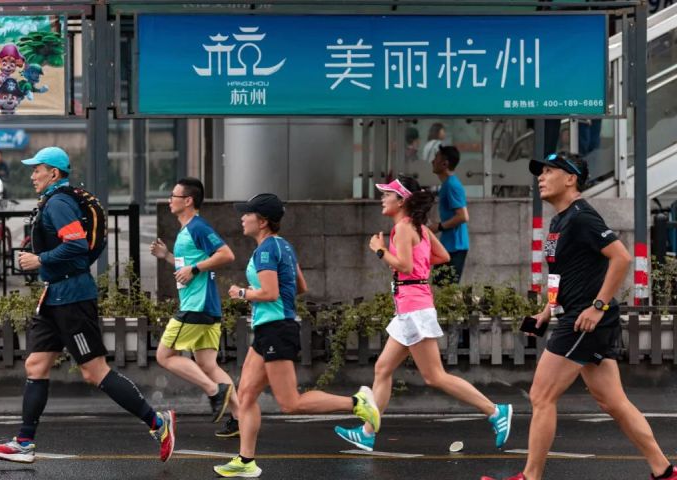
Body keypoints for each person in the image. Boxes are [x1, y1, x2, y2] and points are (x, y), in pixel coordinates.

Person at [481, 152, 677, 480]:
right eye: (540, 172)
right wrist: (546, 311)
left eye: (549, 171)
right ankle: (665, 471)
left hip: (584, 321)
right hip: (578, 317)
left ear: (571, 178)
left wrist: (597, 306)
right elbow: (561, 275)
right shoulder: (559, 221)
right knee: (613, 402)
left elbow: (621, 257)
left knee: (541, 396)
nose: (541, 177)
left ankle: (530, 476)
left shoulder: (582, 217)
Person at [0, 147, 175, 464]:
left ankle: (158, 423)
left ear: (54, 173)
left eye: (37, 169)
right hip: (54, 296)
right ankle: (24, 442)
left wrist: (40, 259)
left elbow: (76, 245)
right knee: (36, 365)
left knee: (94, 371)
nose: (32, 175)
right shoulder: (54, 200)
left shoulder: (60, 203)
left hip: (73, 297)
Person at [333, 176, 512, 452]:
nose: (382, 198)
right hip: (410, 307)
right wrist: (414, 261)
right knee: (382, 369)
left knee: (434, 376)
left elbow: (404, 266)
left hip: (414, 308)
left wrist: (380, 251)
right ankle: (367, 433)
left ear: (401, 200)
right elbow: (443, 257)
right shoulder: (419, 228)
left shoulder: (403, 229)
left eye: (388, 194)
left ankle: (495, 411)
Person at [213, 193, 381, 478]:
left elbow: (271, 293)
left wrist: (243, 293)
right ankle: (245, 460)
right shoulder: (284, 246)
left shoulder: (266, 251)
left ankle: (357, 403)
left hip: (276, 330)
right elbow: (300, 286)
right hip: (270, 328)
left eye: (247, 213)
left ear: (262, 221)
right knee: (246, 395)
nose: (242, 218)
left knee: (290, 403)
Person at [150, 177, 240, 438]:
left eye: (174, 196)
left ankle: (214, 391)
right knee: (208, 364)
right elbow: (187, 269)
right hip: (207, 307)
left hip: (196, 306)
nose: (170, 200)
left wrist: (195, 268)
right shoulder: (186, 230)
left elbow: (226, 254)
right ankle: (239, 418)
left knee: (164, 356)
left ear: (188, 200)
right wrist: (167, 257)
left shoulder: (198, 227)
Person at [429, 146, 469, 285]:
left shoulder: (452, 185)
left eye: (436, 158)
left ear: (445, 164)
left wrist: (439, 226)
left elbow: (463, 216)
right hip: (449, 245)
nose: (432, 161)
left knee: (447, 289)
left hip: (455, 246)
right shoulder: (447, 185)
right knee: (441, 287)